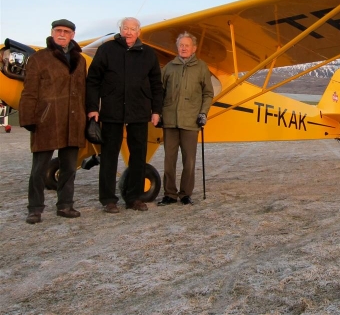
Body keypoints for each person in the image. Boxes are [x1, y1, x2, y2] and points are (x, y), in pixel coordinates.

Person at [86, 17, 163, 213]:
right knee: (109, 155)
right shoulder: (106, 50)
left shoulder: (148, 53)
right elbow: (93, 80)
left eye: (132, 29)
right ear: (120, 30)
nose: (128, 32)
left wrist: (156, 110)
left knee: (138, 155)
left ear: (139, 32)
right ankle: (108, 199)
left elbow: (156, 84)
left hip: (139, 111)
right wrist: (93, 107)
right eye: (125, 28)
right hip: (112, 110)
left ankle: (134, 197)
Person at [19, 19, 87, 224]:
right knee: (39, 168)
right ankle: (35, 209)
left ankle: (65, 205)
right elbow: (29, 91)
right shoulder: (38, 58)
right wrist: (29, 117)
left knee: (69, 167)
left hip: (73, 119)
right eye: (58, 30)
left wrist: (86, 115)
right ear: (52, 32)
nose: (62, 34)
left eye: (66, 31)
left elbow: (84, 91)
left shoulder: (80, 60)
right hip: (47, 120)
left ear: (72, 35)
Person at [158, 32, 214, 206]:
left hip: (191, 121)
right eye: (181, 45)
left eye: (187, 45)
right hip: (170, 120)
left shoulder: (201, 67)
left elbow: (208, 93)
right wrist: (158, 113)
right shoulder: (169, 67)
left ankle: (185, 194)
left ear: (194, 48)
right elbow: (159, 92)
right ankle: (169, 194)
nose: (183, 48)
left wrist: (203, 113)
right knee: (169, 161)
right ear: (177, 47)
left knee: (189, 161)